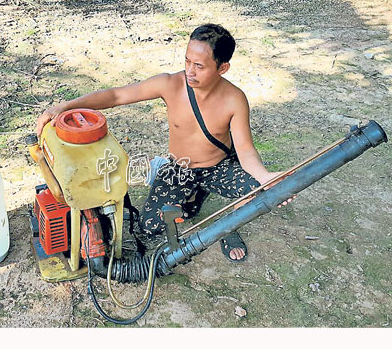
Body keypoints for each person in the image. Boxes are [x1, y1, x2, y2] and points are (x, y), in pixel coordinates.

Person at [36, 23, 294, 262]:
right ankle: (177, 183)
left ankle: (228, 228)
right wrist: (65, 106)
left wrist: (265, 177)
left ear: (222, 67)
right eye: (187, 61)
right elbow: (115, 95)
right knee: (148, 228)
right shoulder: (170, 84)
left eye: (200, 66)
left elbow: (246, 151)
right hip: (180, 168)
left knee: (259, 192)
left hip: (218, 167)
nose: (190, 71)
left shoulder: (235, 99)